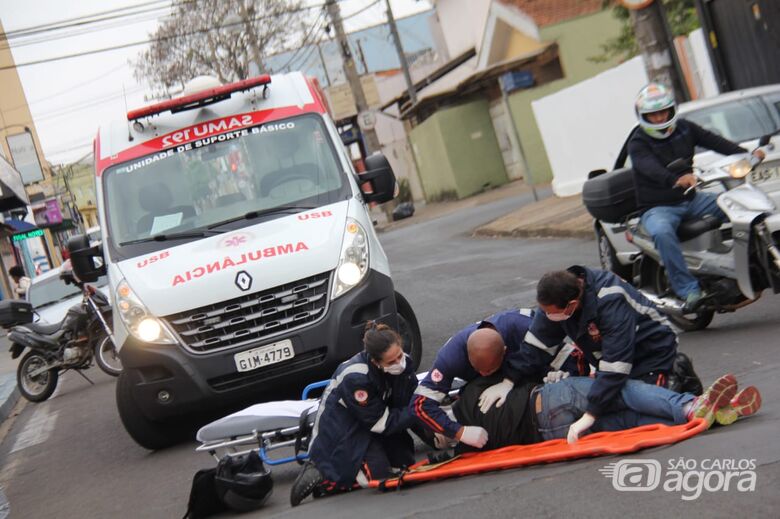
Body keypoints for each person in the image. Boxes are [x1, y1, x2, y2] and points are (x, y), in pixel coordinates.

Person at [629, 82, 765, 312]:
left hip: (692, 199)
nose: (660, 118)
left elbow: (714, 141)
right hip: (658, 207)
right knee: (662, 233)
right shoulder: (638, 141)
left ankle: (753, 263)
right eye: (653, 115)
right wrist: (674, 179)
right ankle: (688, 289)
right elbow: (648, 167)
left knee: (745, 205)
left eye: (664, 112)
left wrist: (746, 153)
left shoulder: (684, 128)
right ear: (644, 117)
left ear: (672, 110)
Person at [509, 266, 680, 443]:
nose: (546, 316)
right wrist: (509, 379)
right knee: (615, 406)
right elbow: (537, 344)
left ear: (572, 305)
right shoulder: (557, 300)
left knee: (646, 404)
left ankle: (683, 394)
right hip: (611, 358)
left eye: (551, 312)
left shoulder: (609, 299)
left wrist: (591, 414)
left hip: (651, 350)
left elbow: (616, 366)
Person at [411, 308, 585, 450]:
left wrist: (565, 373)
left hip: (536, 381)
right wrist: (459, 432)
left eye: (490, 369)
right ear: (468, 359)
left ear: (505, 351)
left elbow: (573, 357)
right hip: (488, 400)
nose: (486, 373)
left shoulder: (523, 328)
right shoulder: (451, 357)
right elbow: (419, 403)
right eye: (480, 370)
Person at [290, 322, 422, 507]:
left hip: (374, 419)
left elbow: (412, 402)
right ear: (375, 362)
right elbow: (381, 423)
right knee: (380, 476)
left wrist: (439, 435)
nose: (398, 363)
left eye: (399, 356)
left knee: (403, 463)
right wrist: (418, 412)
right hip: (343, 429)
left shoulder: (403, 363)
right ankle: (322, 475)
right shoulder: (356, 377)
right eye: (391, 362)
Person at [453, 372, 761, 449]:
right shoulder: (470, 391)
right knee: (623, 391)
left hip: (549, 433)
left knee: (631, 420)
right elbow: (519, 370)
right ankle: (692, 406)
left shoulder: (473, 443)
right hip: (546, 399)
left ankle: (718, 416)